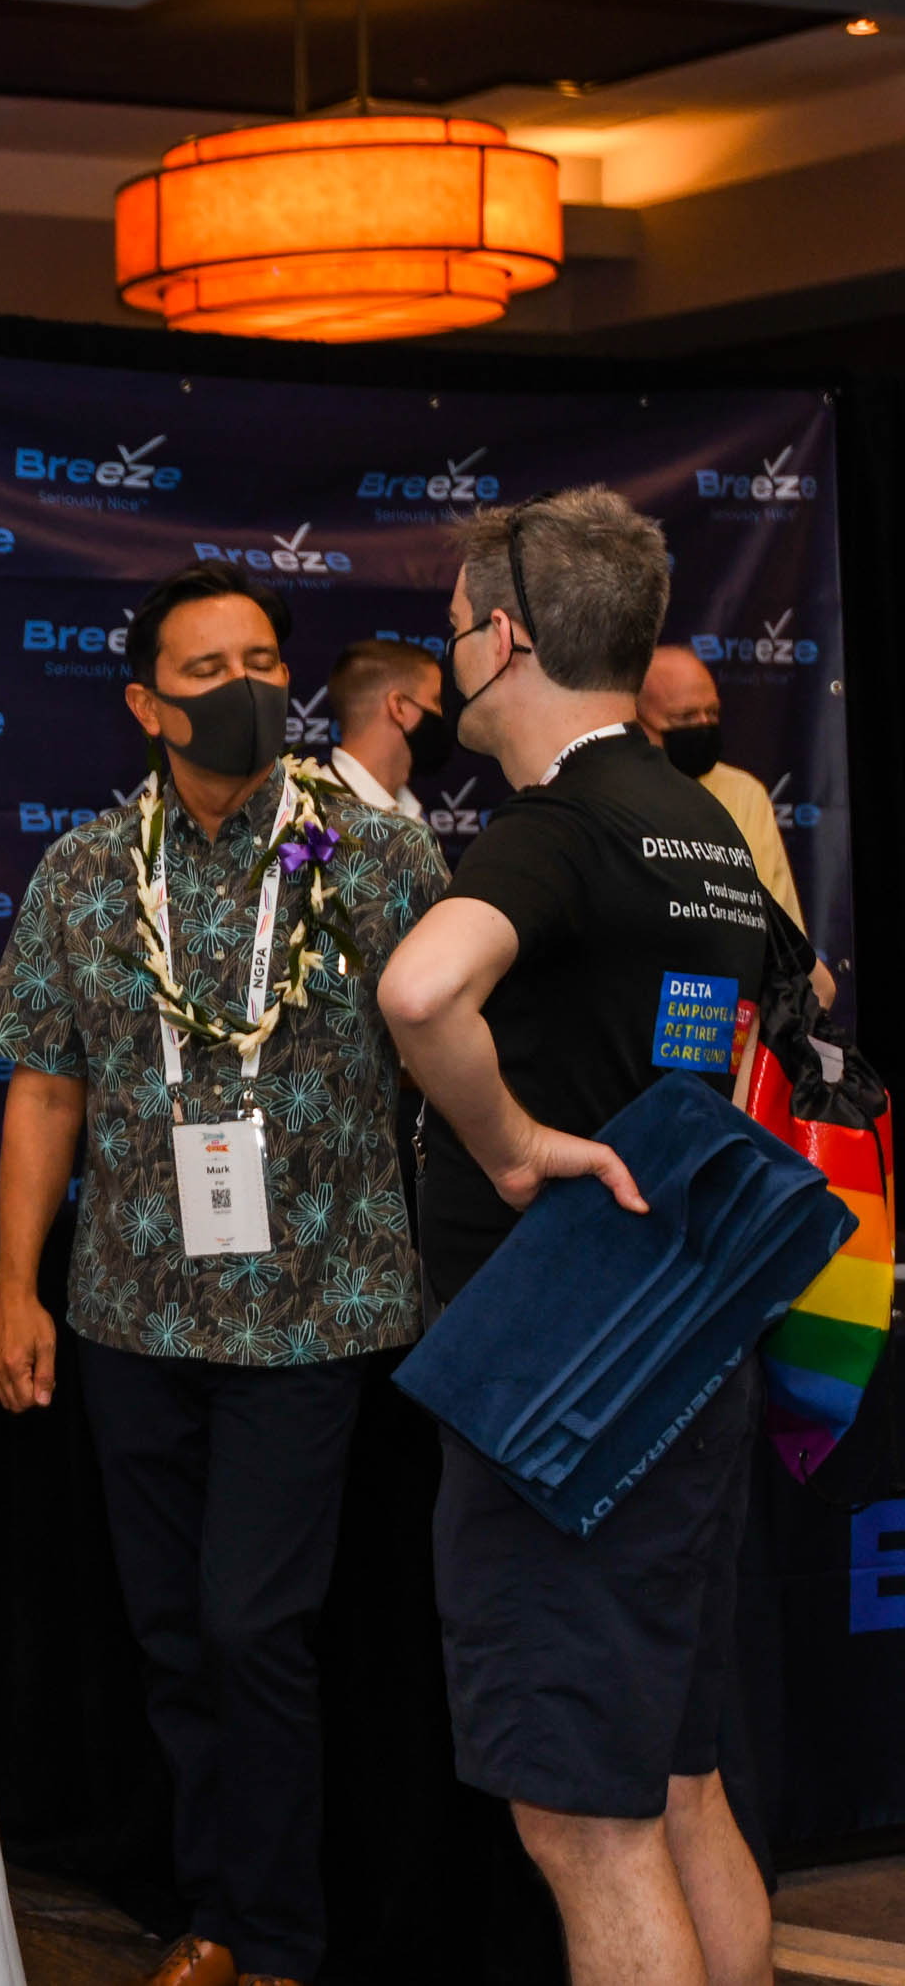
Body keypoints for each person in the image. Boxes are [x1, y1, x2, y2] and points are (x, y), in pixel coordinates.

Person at [0, 563, 447, 1986]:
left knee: (257, 1623)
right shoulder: (83, 871)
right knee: (177, 1637)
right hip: (132, 1306)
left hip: (317, 1309)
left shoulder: (371, 858)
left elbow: (451, 1056)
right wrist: (15, 1283)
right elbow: (46, 1088)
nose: (243, 690)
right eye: (205, 669)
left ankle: (284, 1935)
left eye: (261, 662)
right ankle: (216, 1918)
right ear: (144, 705)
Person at [380, 490, 777, 1986]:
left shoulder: (562, 826)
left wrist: (506, 1142)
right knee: (677, 1788)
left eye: (456, 625)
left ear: (505, 637)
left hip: (563, 1366)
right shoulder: (708, 826)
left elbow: (422, 992)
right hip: (684, 1333)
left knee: (584, 1827)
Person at [635, 644, 832, 1009]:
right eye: (685, 717)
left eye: (712, 713)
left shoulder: (746, 794)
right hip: (645, 1010)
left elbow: (787, 938)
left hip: (740, 1011)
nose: (703, 726)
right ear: (638, 719)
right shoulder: (616, 795)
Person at [322, 637, 451, 822]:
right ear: (398, 707)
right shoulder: (313, 814)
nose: (443, 714)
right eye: (436, 701)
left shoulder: (411, 815)